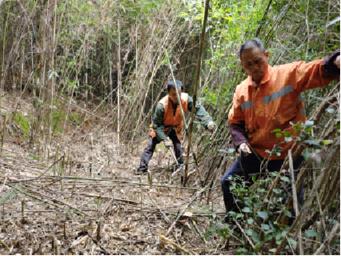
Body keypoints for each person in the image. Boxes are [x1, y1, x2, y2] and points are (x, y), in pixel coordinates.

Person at [221, 38, 340, 216]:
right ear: (242, 66)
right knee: (229, 183)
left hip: (288, 154)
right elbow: (235, 122)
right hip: (256, 153)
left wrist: (335, 62)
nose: (254, 67)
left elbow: (314, 71)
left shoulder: (287, 75)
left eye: (258, 61)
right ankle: (237, 226)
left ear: (266, 56)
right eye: (248, 65)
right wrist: (240, 143)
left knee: (290, 206)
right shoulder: (241, 91)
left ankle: (288, 237)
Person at [135, 79, 216, 174]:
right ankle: (142, 169)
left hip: (176, 128)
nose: (177, 97)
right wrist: (164, 139)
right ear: (168, 93)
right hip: (162, 128)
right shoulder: (161, 105)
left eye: (179, 94)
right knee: (150, 145)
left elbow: (198, 109)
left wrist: (208, 122)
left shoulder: (186, 99)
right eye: (173, 94)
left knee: (178, 146)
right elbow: (156, 125)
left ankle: (180, 167)